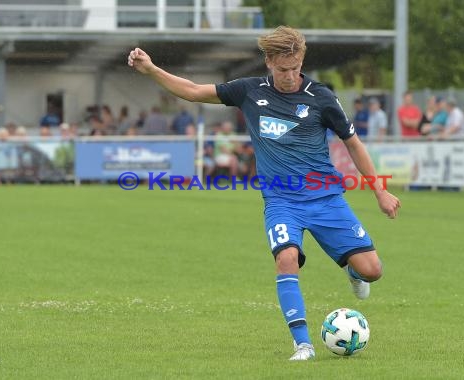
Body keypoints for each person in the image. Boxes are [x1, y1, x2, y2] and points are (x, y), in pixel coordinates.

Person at [128, 25, 400, 361]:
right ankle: (303, 345)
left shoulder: (322, 98)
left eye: (296, 68)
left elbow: (354, 144)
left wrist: (380, 192)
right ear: (269, 61)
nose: (290, 76)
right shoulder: (249, 91)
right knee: (286, 258)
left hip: (325, 197)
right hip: (282, 201)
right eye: (283, 69)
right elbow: (195, 91)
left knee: (373, 270)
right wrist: (152, 70)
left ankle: (353, 270)